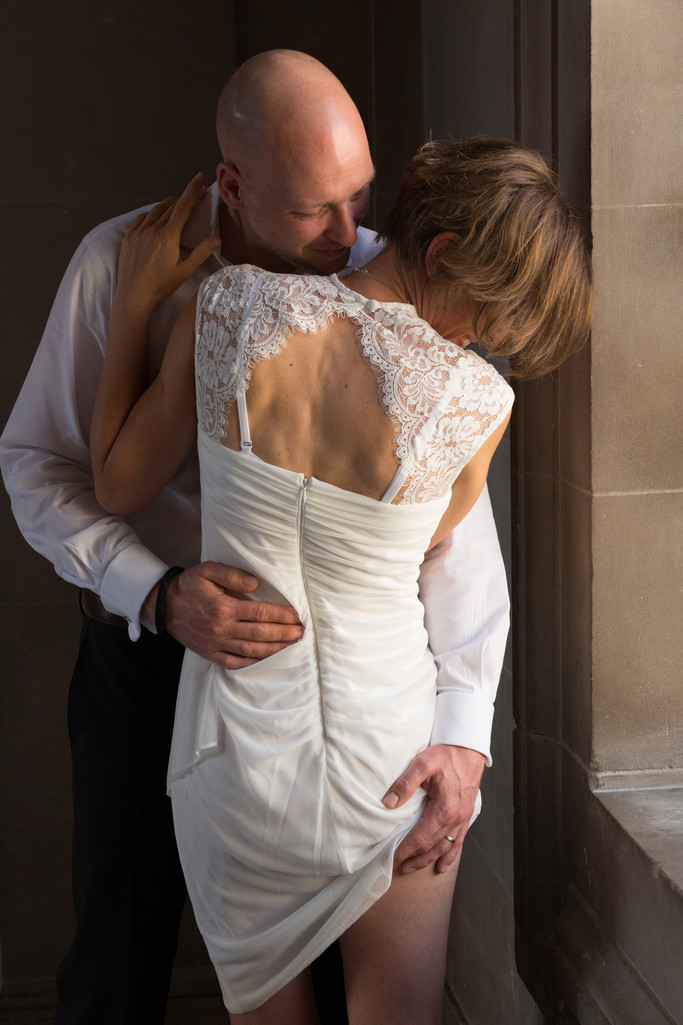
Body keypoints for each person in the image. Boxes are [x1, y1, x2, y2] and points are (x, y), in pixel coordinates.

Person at [0, 50, 509, 1024]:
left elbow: (446, 543)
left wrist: (463, 733)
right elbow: (38, 465)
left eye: (358, 199)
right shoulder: (118, 264)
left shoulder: (372, 276)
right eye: (316, 210)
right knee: (114, 967)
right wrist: (155, 590)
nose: (348, 235)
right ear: (232, 185)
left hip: (331, 701)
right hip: (143, 660)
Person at [89, 136, 593, 1024]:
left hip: (235, 757)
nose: (481, 340)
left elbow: (116, 487)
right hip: (391, 763)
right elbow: (422, 563)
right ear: (442, 256)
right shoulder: (475, 404)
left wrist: (133, 309)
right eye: (486, 314)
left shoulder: (226, 308)